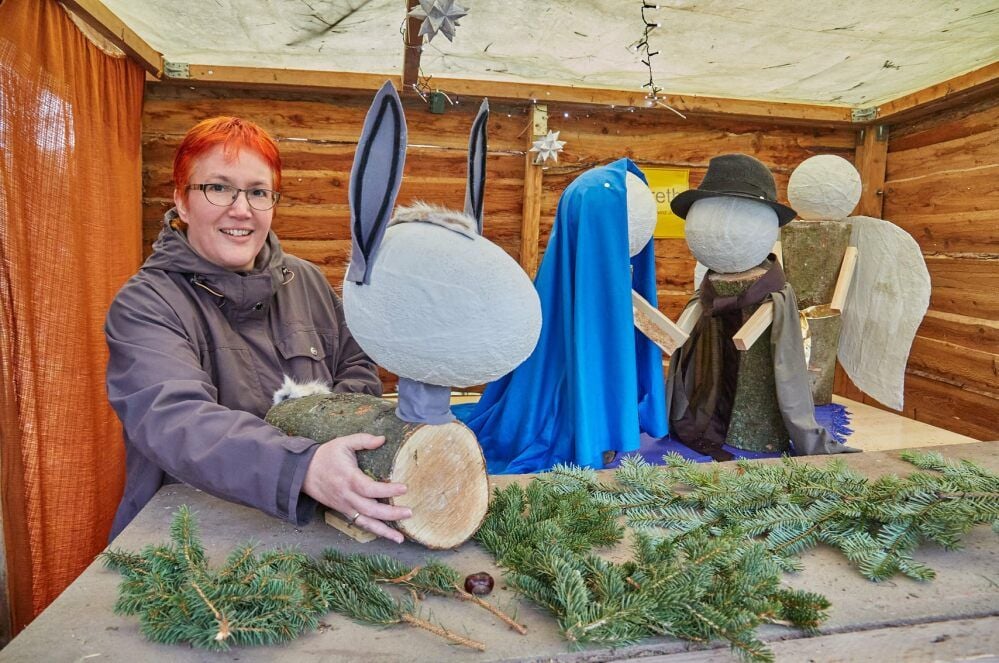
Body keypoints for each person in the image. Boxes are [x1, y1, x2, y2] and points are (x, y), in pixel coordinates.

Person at [105, 116, 411, 542]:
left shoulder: (305, 280)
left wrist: (337, 436)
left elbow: (355, 362)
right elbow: (176, 420)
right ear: (182, 200)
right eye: (218, 187)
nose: (241, 209)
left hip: (313, 521)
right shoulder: (146, 304)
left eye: (258, 192)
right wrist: (300, 467)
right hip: (188, 534)